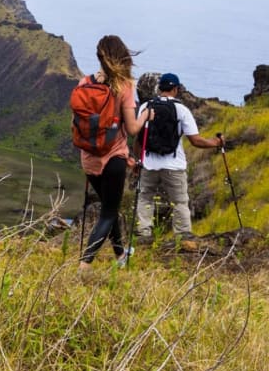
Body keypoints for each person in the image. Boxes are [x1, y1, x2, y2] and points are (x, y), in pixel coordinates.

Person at [79, 35, 151, 272]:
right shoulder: (124, 86)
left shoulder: (84, 83)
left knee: (109, 207)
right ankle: (84, 266)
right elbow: (132, 129)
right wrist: (145, 116)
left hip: (89, 157)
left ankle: (120, 255)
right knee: (108, 213)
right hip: (113, 157)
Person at [135, 72, 224, 240]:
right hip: (174, 165)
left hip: (149, 164)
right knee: (179, 202)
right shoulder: (181, 110)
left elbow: (139, 138)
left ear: (159, 88)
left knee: (145, 198)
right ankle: (182, 236)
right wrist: (215, 143)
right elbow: (196, 141)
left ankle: (143, 233)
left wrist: (138, 161)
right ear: (175, 89)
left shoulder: (145, 107)